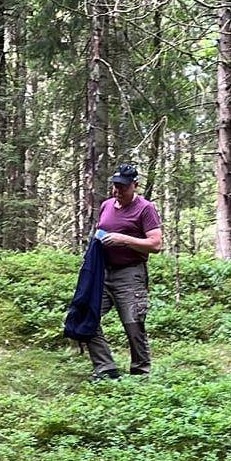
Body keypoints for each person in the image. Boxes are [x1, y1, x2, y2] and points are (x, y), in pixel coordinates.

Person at [87, 163, 163, 380]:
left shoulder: (145, 208)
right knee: (87, 317)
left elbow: (156, 244)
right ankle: (106, 368)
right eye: (115, 186)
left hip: (130, 274)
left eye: (123, 187)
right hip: (103, 272)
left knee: (133, 324)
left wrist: (124, 240)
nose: (117, 191)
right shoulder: (106, 205)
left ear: (135, 185)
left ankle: (140, 373)